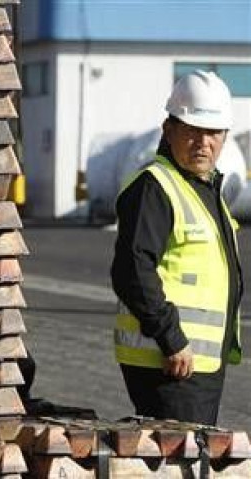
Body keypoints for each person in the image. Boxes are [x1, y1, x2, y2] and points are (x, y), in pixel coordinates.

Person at [111, 70, 243, 426]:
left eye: (213, 132)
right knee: (180, 459)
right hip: (170, 360)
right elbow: (132, 271)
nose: (204, 142)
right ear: (169, 130)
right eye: (192, 130)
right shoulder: (155, 187)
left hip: (194, 361)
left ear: (225, 136)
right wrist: (172, 339)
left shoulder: (203, 188)